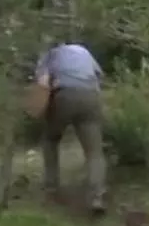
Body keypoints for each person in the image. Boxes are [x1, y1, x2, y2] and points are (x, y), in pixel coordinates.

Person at [34, 42, 107, 214]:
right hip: (91, 96)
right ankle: (96, 197)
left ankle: (51, 190)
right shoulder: (83, 50)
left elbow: (43, 83)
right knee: (94, 152)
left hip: (64, 94)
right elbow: (99, 76)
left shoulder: (50, 55)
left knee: (51, 140)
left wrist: (40, 108)